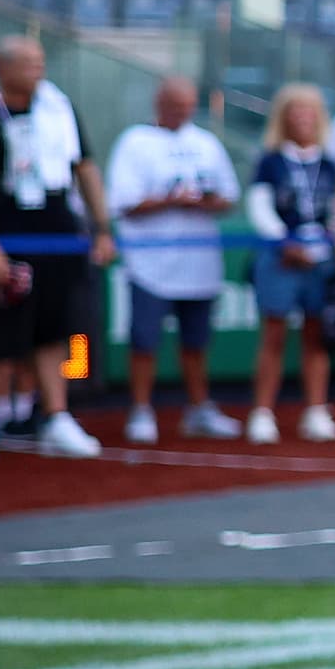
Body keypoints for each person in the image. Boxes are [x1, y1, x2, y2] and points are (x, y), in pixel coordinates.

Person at [0, 35, 112, 458]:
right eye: (27, 63)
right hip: (4, 237)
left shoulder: (60, 111)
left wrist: (101, 227)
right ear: (2, 68)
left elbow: (85, 169)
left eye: (40, 62)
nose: (38, 70)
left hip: (56, 237)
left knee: (53, 331)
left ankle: (56, 416)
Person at [106, 73, 241, 443]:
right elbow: (123, 203)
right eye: (175, 105)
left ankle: (199, 408)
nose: (182, 112)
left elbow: (229, 195)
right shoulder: (134, 142)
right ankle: (140, 409)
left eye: (187, 106)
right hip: (149, 262)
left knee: (196, 342)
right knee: (144, 341)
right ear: (159, 104)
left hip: (198, 262)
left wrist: (205, 200)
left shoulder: (206, 142)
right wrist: (171, 199)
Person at [241, 83, 335, 443]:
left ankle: (316, 410)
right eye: (295, 111)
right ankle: (262, 412)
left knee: (318, 337)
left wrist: (327, 242)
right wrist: (285, 241)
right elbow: (260, 207)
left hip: (320, 259)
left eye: (310, 110)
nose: (303, 118)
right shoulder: (271, 161)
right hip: (280, 258)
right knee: (274, 333)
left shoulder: (330, 164)